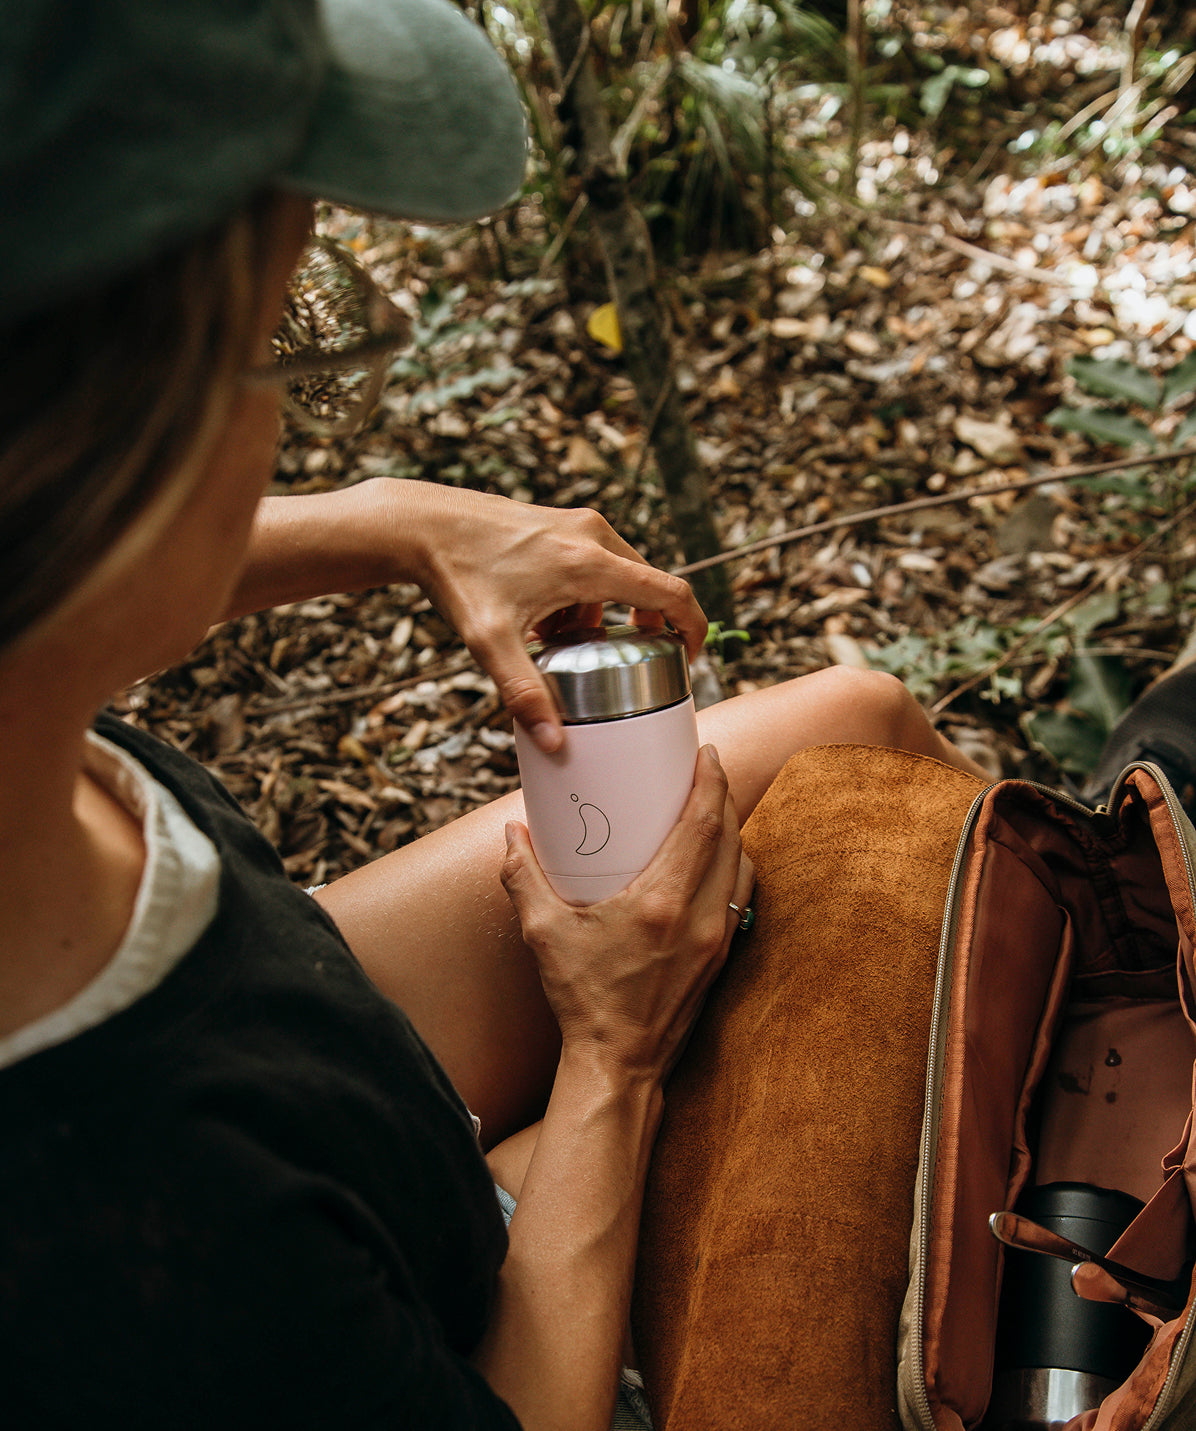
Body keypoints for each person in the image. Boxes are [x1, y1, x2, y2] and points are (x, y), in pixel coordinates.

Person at [0, 3, 991, 1428]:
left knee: (856, 719)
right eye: (271, 348)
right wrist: (612, 1055)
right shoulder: (138, 1236)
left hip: (284, 1036)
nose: (281, 427)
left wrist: (391, 522)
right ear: (110, 437)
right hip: (429, 1303)